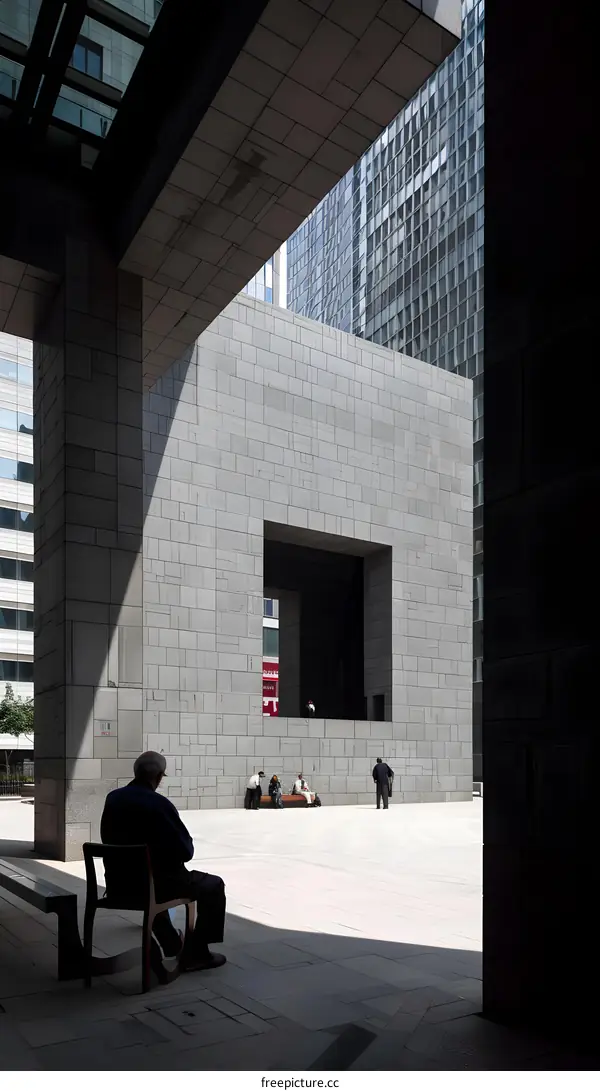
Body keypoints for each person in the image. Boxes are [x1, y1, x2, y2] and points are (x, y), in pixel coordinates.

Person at [100, 752, 226, 972]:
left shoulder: (113, 798)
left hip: (119, 884)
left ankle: (171, 944)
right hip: (156, 884)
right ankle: (196, 953)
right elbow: (185, 852)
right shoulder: (158, 804)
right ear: (159, 776)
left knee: (152, 882)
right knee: (213, 886)